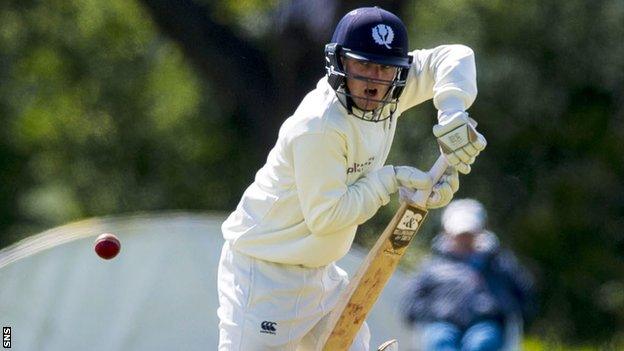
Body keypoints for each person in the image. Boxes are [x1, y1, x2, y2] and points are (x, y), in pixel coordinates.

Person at [217, 6, 487, 351]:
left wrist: (452, 109)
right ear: (340, 63)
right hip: (263, 276)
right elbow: (327, 217)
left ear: (399, 72)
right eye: (363, 66)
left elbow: (456, 55)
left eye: (385, 69)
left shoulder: (391, 88)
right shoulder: (318, 126)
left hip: (321, 275)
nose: (374, 82)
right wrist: (392, 180)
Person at [401, 199, 535, 351]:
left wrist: (503, 309)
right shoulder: (432, 266)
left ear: (480, 231)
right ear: (447, 232)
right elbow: (411, 304)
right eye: (460, 234)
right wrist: (432, 313)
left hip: (485, 323)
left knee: (480, 343)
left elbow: (524, 295)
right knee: (440, 340)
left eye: (469, 234)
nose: (464, 239)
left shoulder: (500, 264)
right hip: (442, 324)